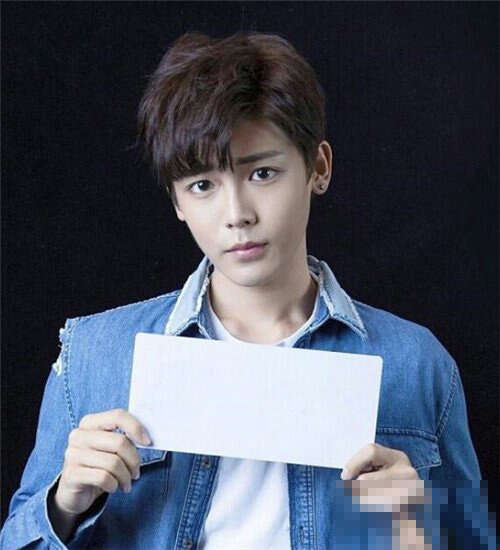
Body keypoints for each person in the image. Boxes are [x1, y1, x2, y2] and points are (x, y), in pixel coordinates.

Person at [1, 31, 494, 549]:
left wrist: (417, 533)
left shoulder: (417, 364)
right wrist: (65, 504)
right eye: (202, 185)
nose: (236, 214)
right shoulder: (94, 355)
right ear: (177, 201)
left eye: (262, 173)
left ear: (318, 167)